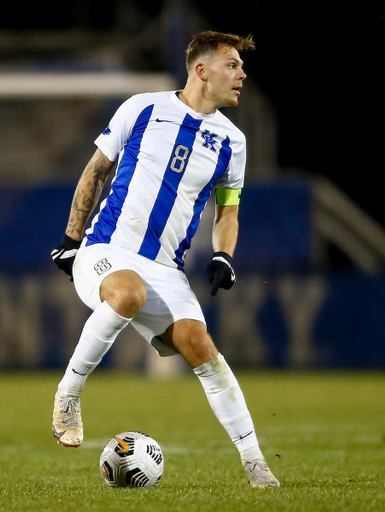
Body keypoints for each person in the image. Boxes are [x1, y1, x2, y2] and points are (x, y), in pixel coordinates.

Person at [51, 30, 280, 489]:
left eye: (240, 66)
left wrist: (224, 255)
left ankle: (257, 465)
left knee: (202, 348)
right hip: (107, 250)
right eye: (232, 65)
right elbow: (96, 170)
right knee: (128, 292)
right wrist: (71, 238)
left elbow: (228, 212)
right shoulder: (142, 107)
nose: (242, 74)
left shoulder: (233, 141)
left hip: (166, 269)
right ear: (202, 70)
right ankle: (69, 395)